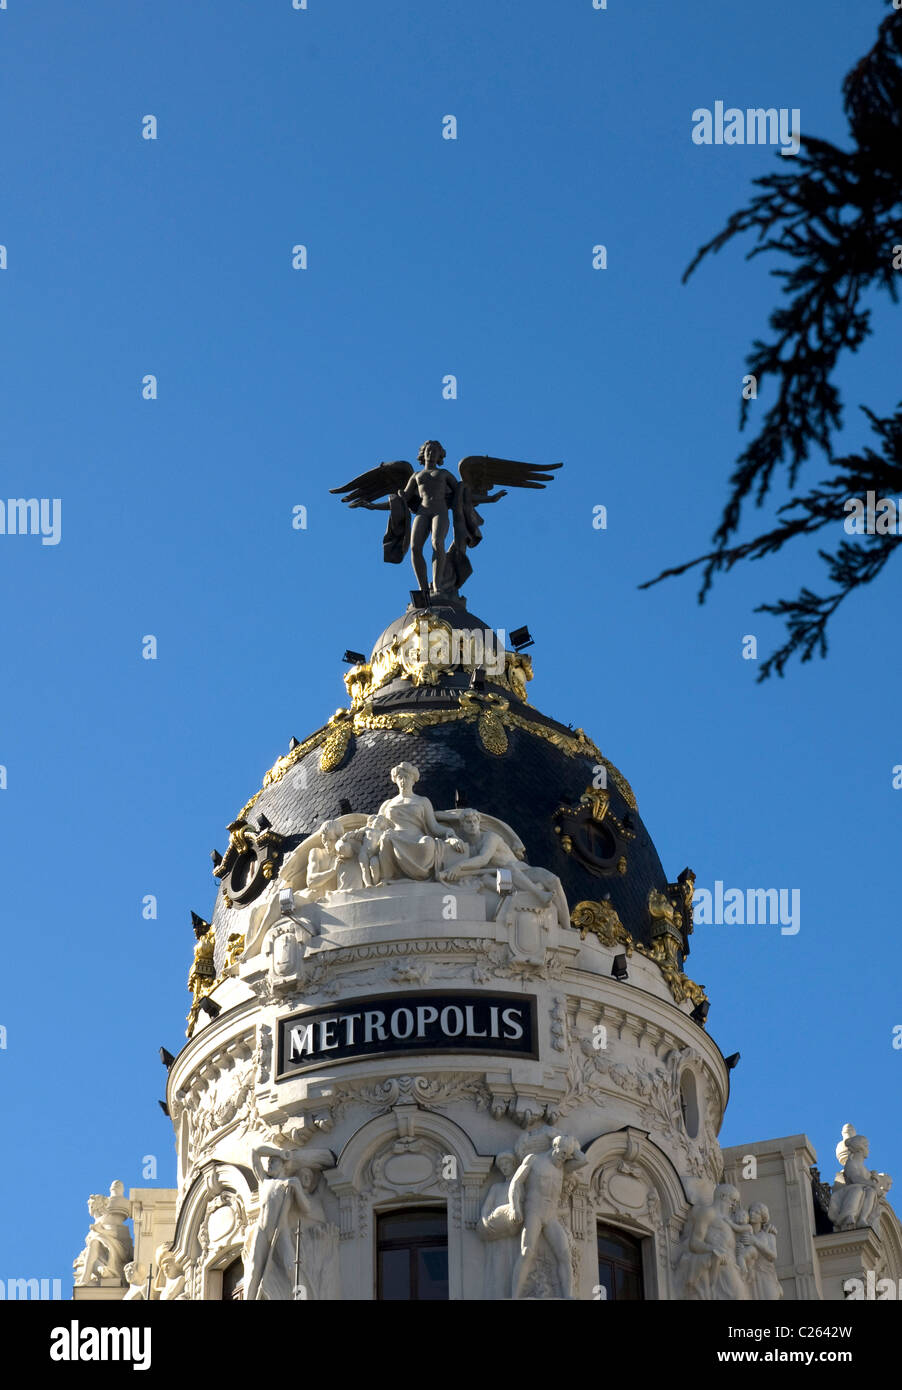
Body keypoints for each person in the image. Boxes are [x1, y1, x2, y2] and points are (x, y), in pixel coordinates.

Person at [508, 1135, 587, 1300]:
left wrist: (572, 1147)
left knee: (565, 1254)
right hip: (534, 1212)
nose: (563, 1158)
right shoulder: (534, 1160)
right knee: (527, 1251)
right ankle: (514, 1296)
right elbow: (516, 1183)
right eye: (562, 1153)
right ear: (554, 1147)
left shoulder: (563, 1167)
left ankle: (567, 1296)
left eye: (567, 1156)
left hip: (551, 1217)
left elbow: (583, 1160)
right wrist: (515, 1208)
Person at [376, 762, 465, 881]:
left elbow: (434, 827)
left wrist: (450, 833)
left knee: (428, 842)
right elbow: (375, 826)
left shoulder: (422, 801)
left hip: (417, 838)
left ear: (413, 780)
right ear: (396, 780)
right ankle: (387, 877)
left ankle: (419, 874)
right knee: (385, 838)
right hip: (395, 838)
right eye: (400, 777)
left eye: (406, 777)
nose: (403, 781)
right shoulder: (388, 804)